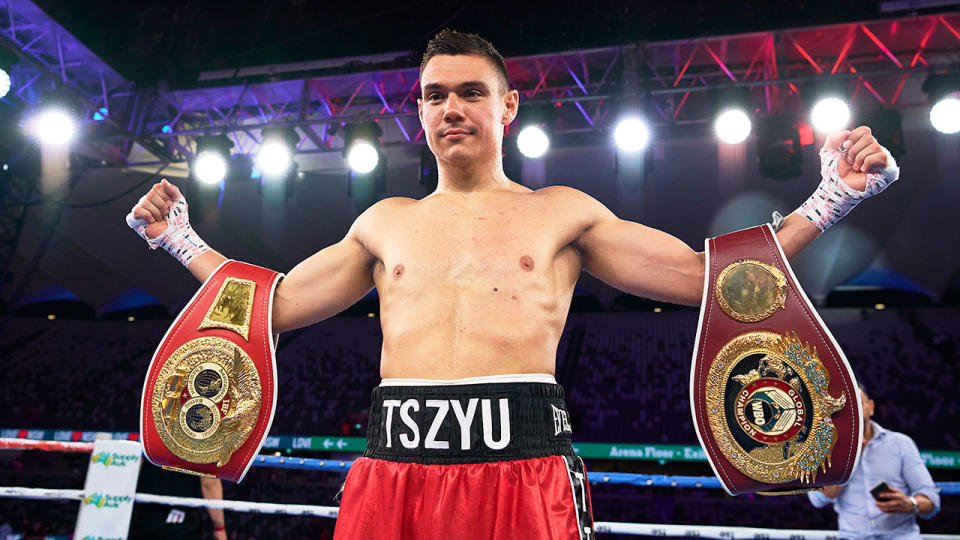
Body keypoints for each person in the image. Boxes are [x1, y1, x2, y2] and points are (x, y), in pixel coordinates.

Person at [127, 29, 900, 540]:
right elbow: (277, 308)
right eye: (434, 95)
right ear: (418, 113)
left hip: (523, 472)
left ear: (508, 105)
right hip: (392, 473)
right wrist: (180, 240)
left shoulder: (562, 213)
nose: (450, 108)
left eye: (469, 92)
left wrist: (832, 197)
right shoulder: (382, 221)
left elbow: (709, 280)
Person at [807, 386, 940, 540]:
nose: (853, 412)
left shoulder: (901, 444)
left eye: (858, 404)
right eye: (845, 408)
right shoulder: (824, 450)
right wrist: (849, 458)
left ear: (870, 407)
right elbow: (818, 500)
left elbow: (932, 500)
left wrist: (910, 504)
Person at [128, 463, 227, 540]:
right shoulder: (202, 440)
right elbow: (209, 484)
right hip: (181, 519)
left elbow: (132, 471)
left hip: (144, 515)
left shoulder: (145, 437)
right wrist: (219, 527)